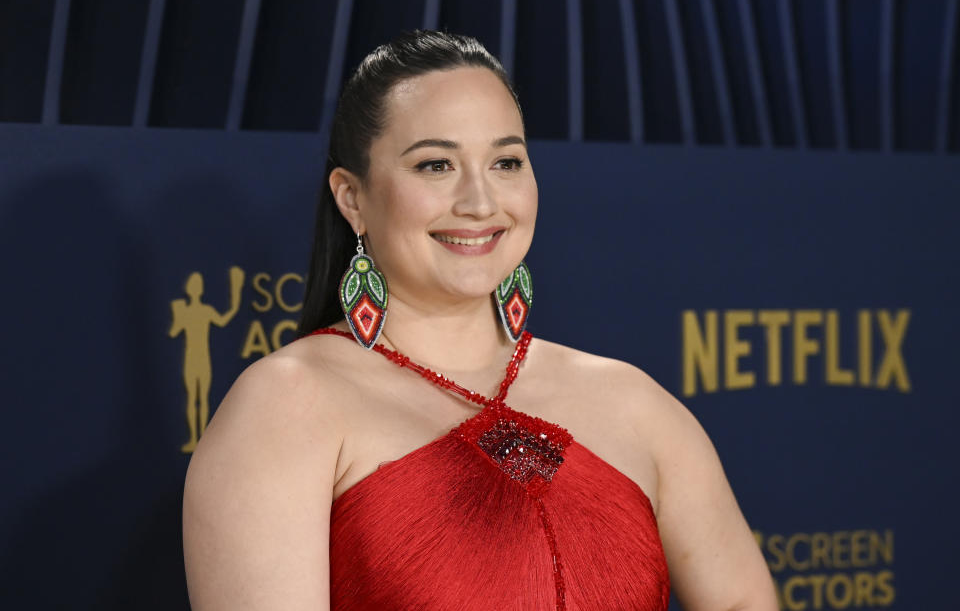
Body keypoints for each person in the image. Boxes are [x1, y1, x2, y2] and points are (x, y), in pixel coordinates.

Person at [183, 30, 777, 610]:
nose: (481, 202)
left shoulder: (633, 402)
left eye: (507, 162)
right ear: (352, 198)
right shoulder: (288, 405)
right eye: (436, 165)